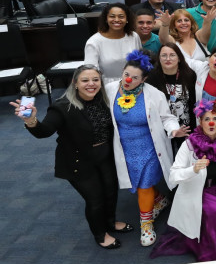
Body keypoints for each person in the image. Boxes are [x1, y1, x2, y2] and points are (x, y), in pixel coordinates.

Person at [12, 65, 130, 249]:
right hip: (78, 161)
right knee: (95, 199)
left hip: (105, 156)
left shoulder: (103, 100)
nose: (91, 84)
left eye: (95, 80)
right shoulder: (62, 107)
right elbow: (44, 132)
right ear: (75, 83)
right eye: (85, 80)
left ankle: (110, 222)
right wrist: (31, 121)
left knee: (111, 191)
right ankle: (100, 234)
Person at [107, 51, 189, 246]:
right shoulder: (109, 89)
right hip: (124, 147)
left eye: (135, 77)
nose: (128, 79)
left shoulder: (154, 94)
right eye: (126, 74)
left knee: (143, 185)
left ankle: (146, 224)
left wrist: (174, 130)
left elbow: (166, 118)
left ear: (143, 79)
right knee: (137, 183)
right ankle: (159, 199)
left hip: (149, 147)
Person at [152, 99, 216, 261]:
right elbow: (173, 176)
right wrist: (193, 169)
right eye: (207, 119)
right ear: (200, 121)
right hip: (196, 194)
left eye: (215, 119)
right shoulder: (189, 144)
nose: (211, 123)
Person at [147, 43, 198, 153]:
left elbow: (194, 103)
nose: (168, 59)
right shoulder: (152, 77)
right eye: (164, 55)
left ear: (179, 58)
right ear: (159, 58)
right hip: (162, 129)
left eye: (172, 55)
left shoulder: (189, 75)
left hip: (186, 129)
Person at [84, 4, 142, 84]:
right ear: (106, 19)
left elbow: (140, 62)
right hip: (107, 86)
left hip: (133, 83)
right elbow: (90, 72)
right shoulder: (94, 42)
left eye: (121, 16)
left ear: (127, 19)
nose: (117, 19)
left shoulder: (134, 36)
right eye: (112, 16)